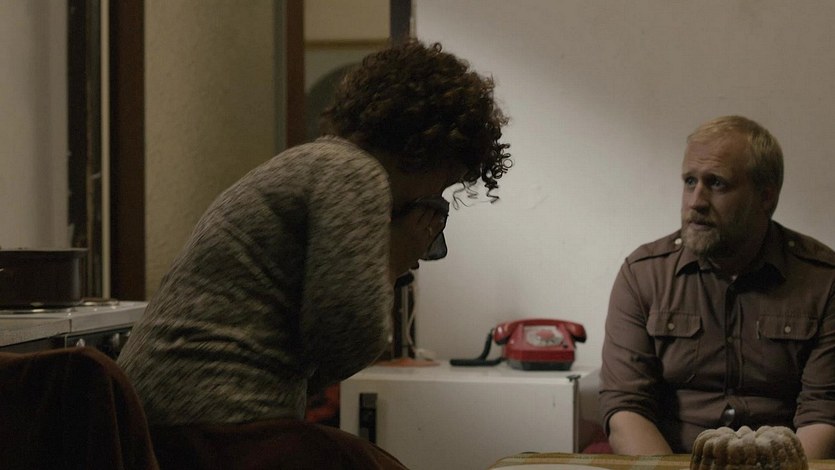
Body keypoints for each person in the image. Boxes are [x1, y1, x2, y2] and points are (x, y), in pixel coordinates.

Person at [117, 39, 511, 469]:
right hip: (211, 416)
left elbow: (315, 361)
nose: (435, 201)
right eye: (443, 184)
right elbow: (345, 339)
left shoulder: (317, 164)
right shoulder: (355, 174)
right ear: (427, 150)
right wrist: (393, 260)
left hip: (173, 413)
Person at [599, 115, 835, 458]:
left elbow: (823, 413)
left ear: (766, 197)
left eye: (717, 184)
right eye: (689, 181)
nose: (696, 201)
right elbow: (626, 410)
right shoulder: (643, 275)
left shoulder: (822, 280)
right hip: (674, 463)